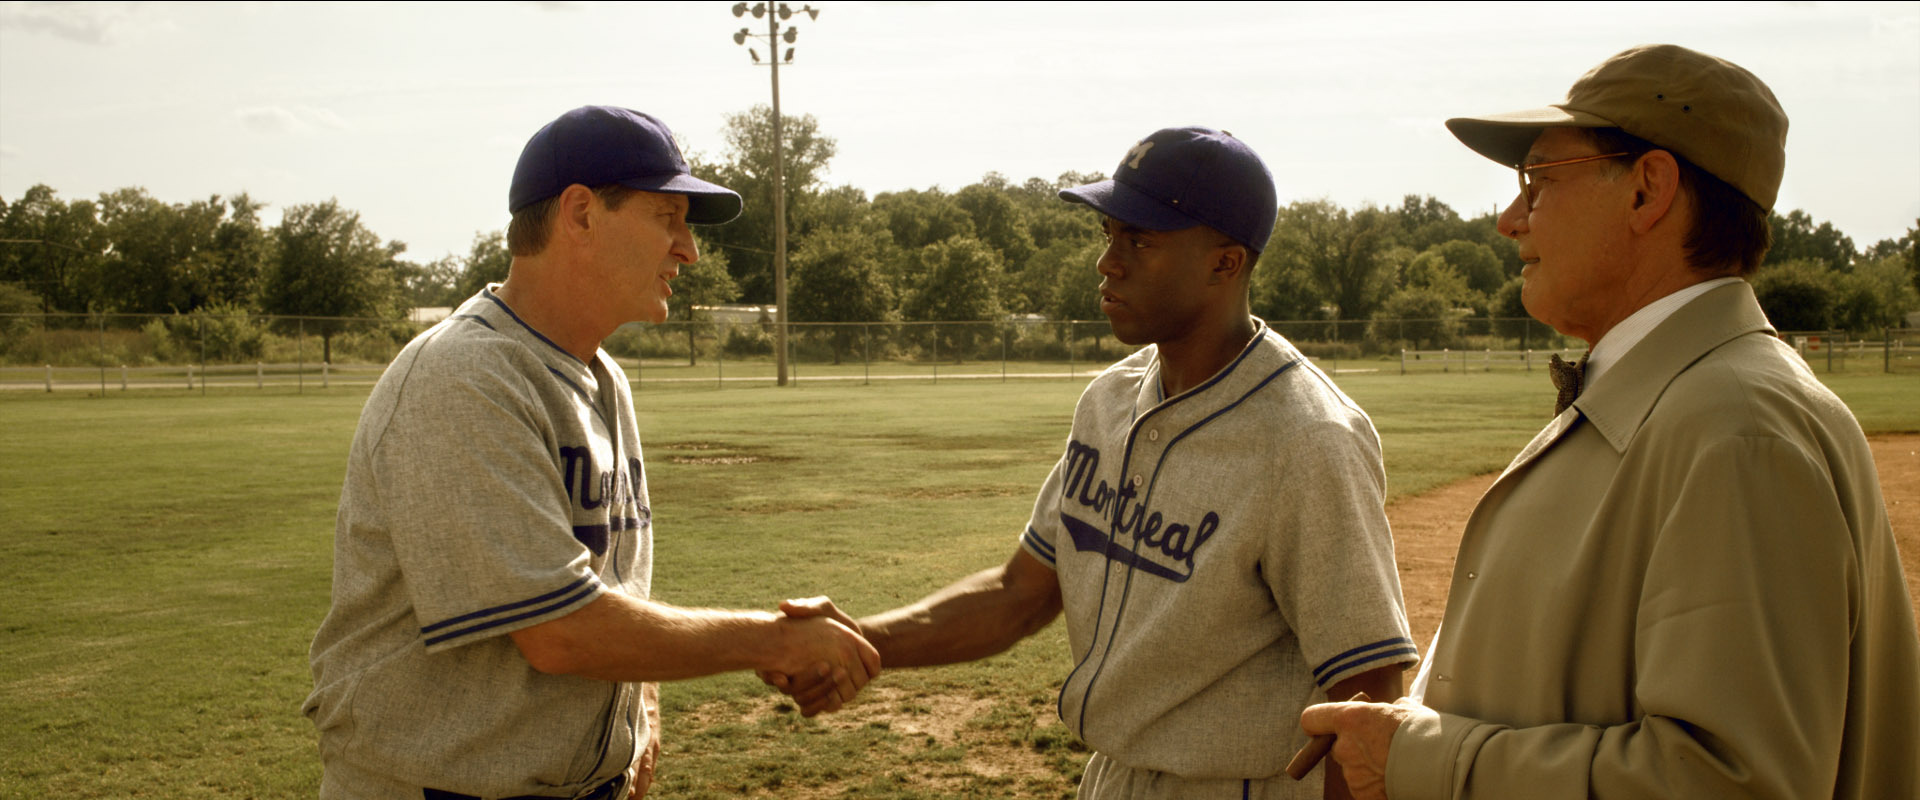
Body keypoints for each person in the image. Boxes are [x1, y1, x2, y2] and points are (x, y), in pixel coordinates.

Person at [1300, 44, 1920, 800]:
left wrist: (1424, 758)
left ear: (1647, 191)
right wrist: (1422, 717)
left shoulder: (1735, 428)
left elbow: (1729, 783)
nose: (1509, 218)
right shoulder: (1685, 400)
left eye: (1538, 180)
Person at [771, 126, 1419, 800]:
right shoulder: (1109, 400)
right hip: (1111, 776)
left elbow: (1366, 691)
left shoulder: (1308, 437)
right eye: (1109, 234)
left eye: (1140, 240)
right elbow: (1020, 594)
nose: (1107, 262)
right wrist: (858, 640)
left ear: (1225, 264)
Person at [304, 105, 879, 800]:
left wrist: (641, 702)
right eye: (667, 217)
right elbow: (560, 630)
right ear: (580, 213)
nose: (688, 250)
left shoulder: (601, 376)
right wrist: (774, 640)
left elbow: (607, 587)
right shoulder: (464, 376)